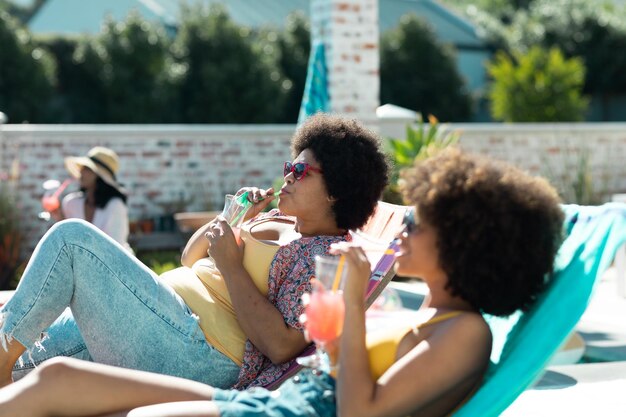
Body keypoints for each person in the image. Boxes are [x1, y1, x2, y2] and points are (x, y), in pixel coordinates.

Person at [0, 147, 564, 417]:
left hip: (279, 408)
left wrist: (350, 312)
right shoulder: (435, 320)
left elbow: (359, 411)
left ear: (464, 247)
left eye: (421, 220)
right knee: (56, 376)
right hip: (272, 395)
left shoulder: (465, 335)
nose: (403, 226)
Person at [0, 114, 389, 392]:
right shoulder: (274, 218)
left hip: (200, 351)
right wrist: (232, 217)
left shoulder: (327, 255)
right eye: (289, 166)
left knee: (72, 241)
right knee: (23, 360)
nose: (287, 176)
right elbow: (190, 258)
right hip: (158, 319)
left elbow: (283, 345)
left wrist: (232, 265)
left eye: (300, 172)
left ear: (337, 189)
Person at [50, 146, 132, 251]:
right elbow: (68, 243)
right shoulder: (71, 203)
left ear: (100, 176)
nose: (81, 172)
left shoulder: (115, 206)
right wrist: (59, 218)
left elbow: (116, 249)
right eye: (82, 167)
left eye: (88, 168)